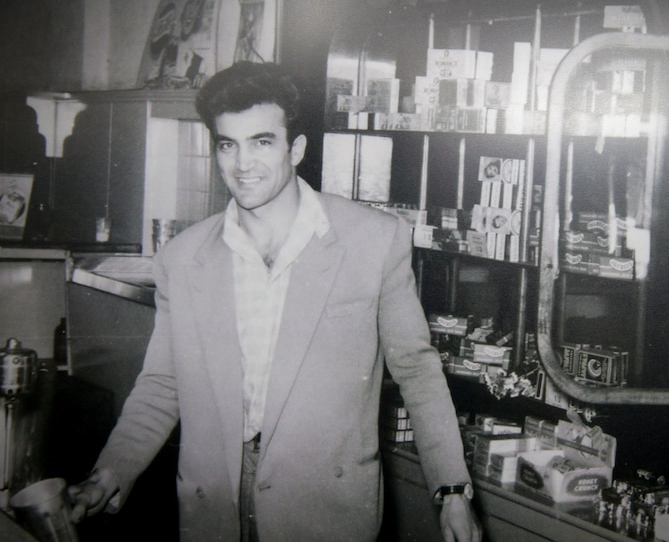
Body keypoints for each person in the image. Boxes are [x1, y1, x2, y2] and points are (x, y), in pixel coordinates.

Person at [69, 61, 482, 542]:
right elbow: (163, 384)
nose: (242, 164)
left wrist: (452, 489)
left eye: (261, 142)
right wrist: (108, 473)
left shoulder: (373, 242)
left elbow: (416, 369)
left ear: (296, 148)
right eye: (228, 144)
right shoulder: (182, 260)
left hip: (325, 507)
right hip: (213, 504)